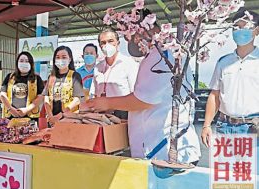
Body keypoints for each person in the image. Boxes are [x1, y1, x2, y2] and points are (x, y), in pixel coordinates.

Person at [86, 9, 201, 165]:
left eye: (133, 34)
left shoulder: (160, 57)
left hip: (165, 152)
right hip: (161, 148)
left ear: (151, 30)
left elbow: (143, 100)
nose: (130, 39)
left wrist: (106, 102)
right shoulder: (161, 54)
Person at [202, 8, 259, 147]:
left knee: (249, 169)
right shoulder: (223, 62)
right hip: (224, 128)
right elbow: (214, 95)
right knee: (225, 169)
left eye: (244, 26)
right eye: (236, 27)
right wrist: (206, 125)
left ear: (256, 31)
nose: (239, 31)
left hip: (252, 129)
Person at [89, 28, 139, 119]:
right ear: (100, 46)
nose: (106, 45)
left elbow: (135, 93)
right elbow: (94, 93)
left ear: (118, 43)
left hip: (123, 114)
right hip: (102, 115)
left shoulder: (129, 64)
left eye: (110, 41)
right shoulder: (98, 67)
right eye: (103, 43)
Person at [43, 46, 84, 125]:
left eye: (64, 57)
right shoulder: (51, 77)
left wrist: (61, 115)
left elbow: (77, 99)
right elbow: (46, 98)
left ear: (70, 59)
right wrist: (50, 116)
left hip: (69, 119)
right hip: (52, 119)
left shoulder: (75, 75)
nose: (60, 60)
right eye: (57, 57)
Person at [0, 52, 44, 120]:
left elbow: (41, 97)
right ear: (17, 63)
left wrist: (27, 110)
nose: (24, 63)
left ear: (31, 64)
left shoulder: (36, 78)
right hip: (11, 116)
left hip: (30, 117)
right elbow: (2, 95)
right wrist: (11, 109)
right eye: (21, 61)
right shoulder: (10, 77)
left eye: (27, 61)